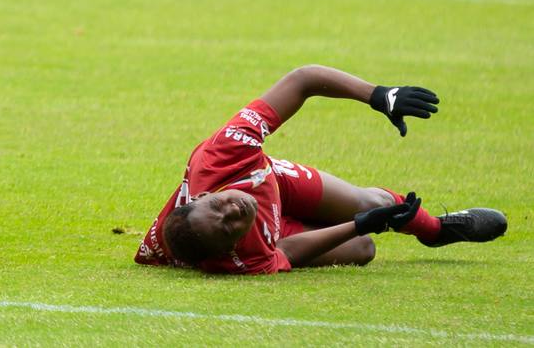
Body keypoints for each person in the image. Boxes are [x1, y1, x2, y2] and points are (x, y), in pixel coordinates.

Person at [135, 65, 507, 274]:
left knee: (369, 199)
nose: (234, 209)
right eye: (229, 224)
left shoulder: (227, 153)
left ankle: (436, 230)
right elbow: (287, 252)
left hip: (269, 180)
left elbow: (304, 79)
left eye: (218, 207)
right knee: (363, 248)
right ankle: (375, 220)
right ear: (231, 245)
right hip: (262, 232)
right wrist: (363, 225)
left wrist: (380, 95)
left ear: (203, 195)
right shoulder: (242, 258)